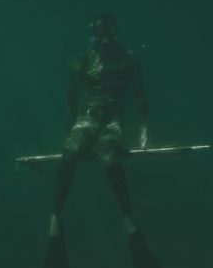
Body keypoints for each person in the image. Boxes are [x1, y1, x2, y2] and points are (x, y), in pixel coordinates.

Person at [49, 13, 148, 238]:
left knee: (109, 159)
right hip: (89, 118)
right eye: (100, 32)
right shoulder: (83, 61)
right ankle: (56, 216)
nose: (105, 38)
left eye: (109, 32)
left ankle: (127, 216)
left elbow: (140, 94)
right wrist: (71, 134)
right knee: (70, 153)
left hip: (112, 120)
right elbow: (72, 99)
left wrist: (143, 128)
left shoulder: (128, 59)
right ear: (94, 34)